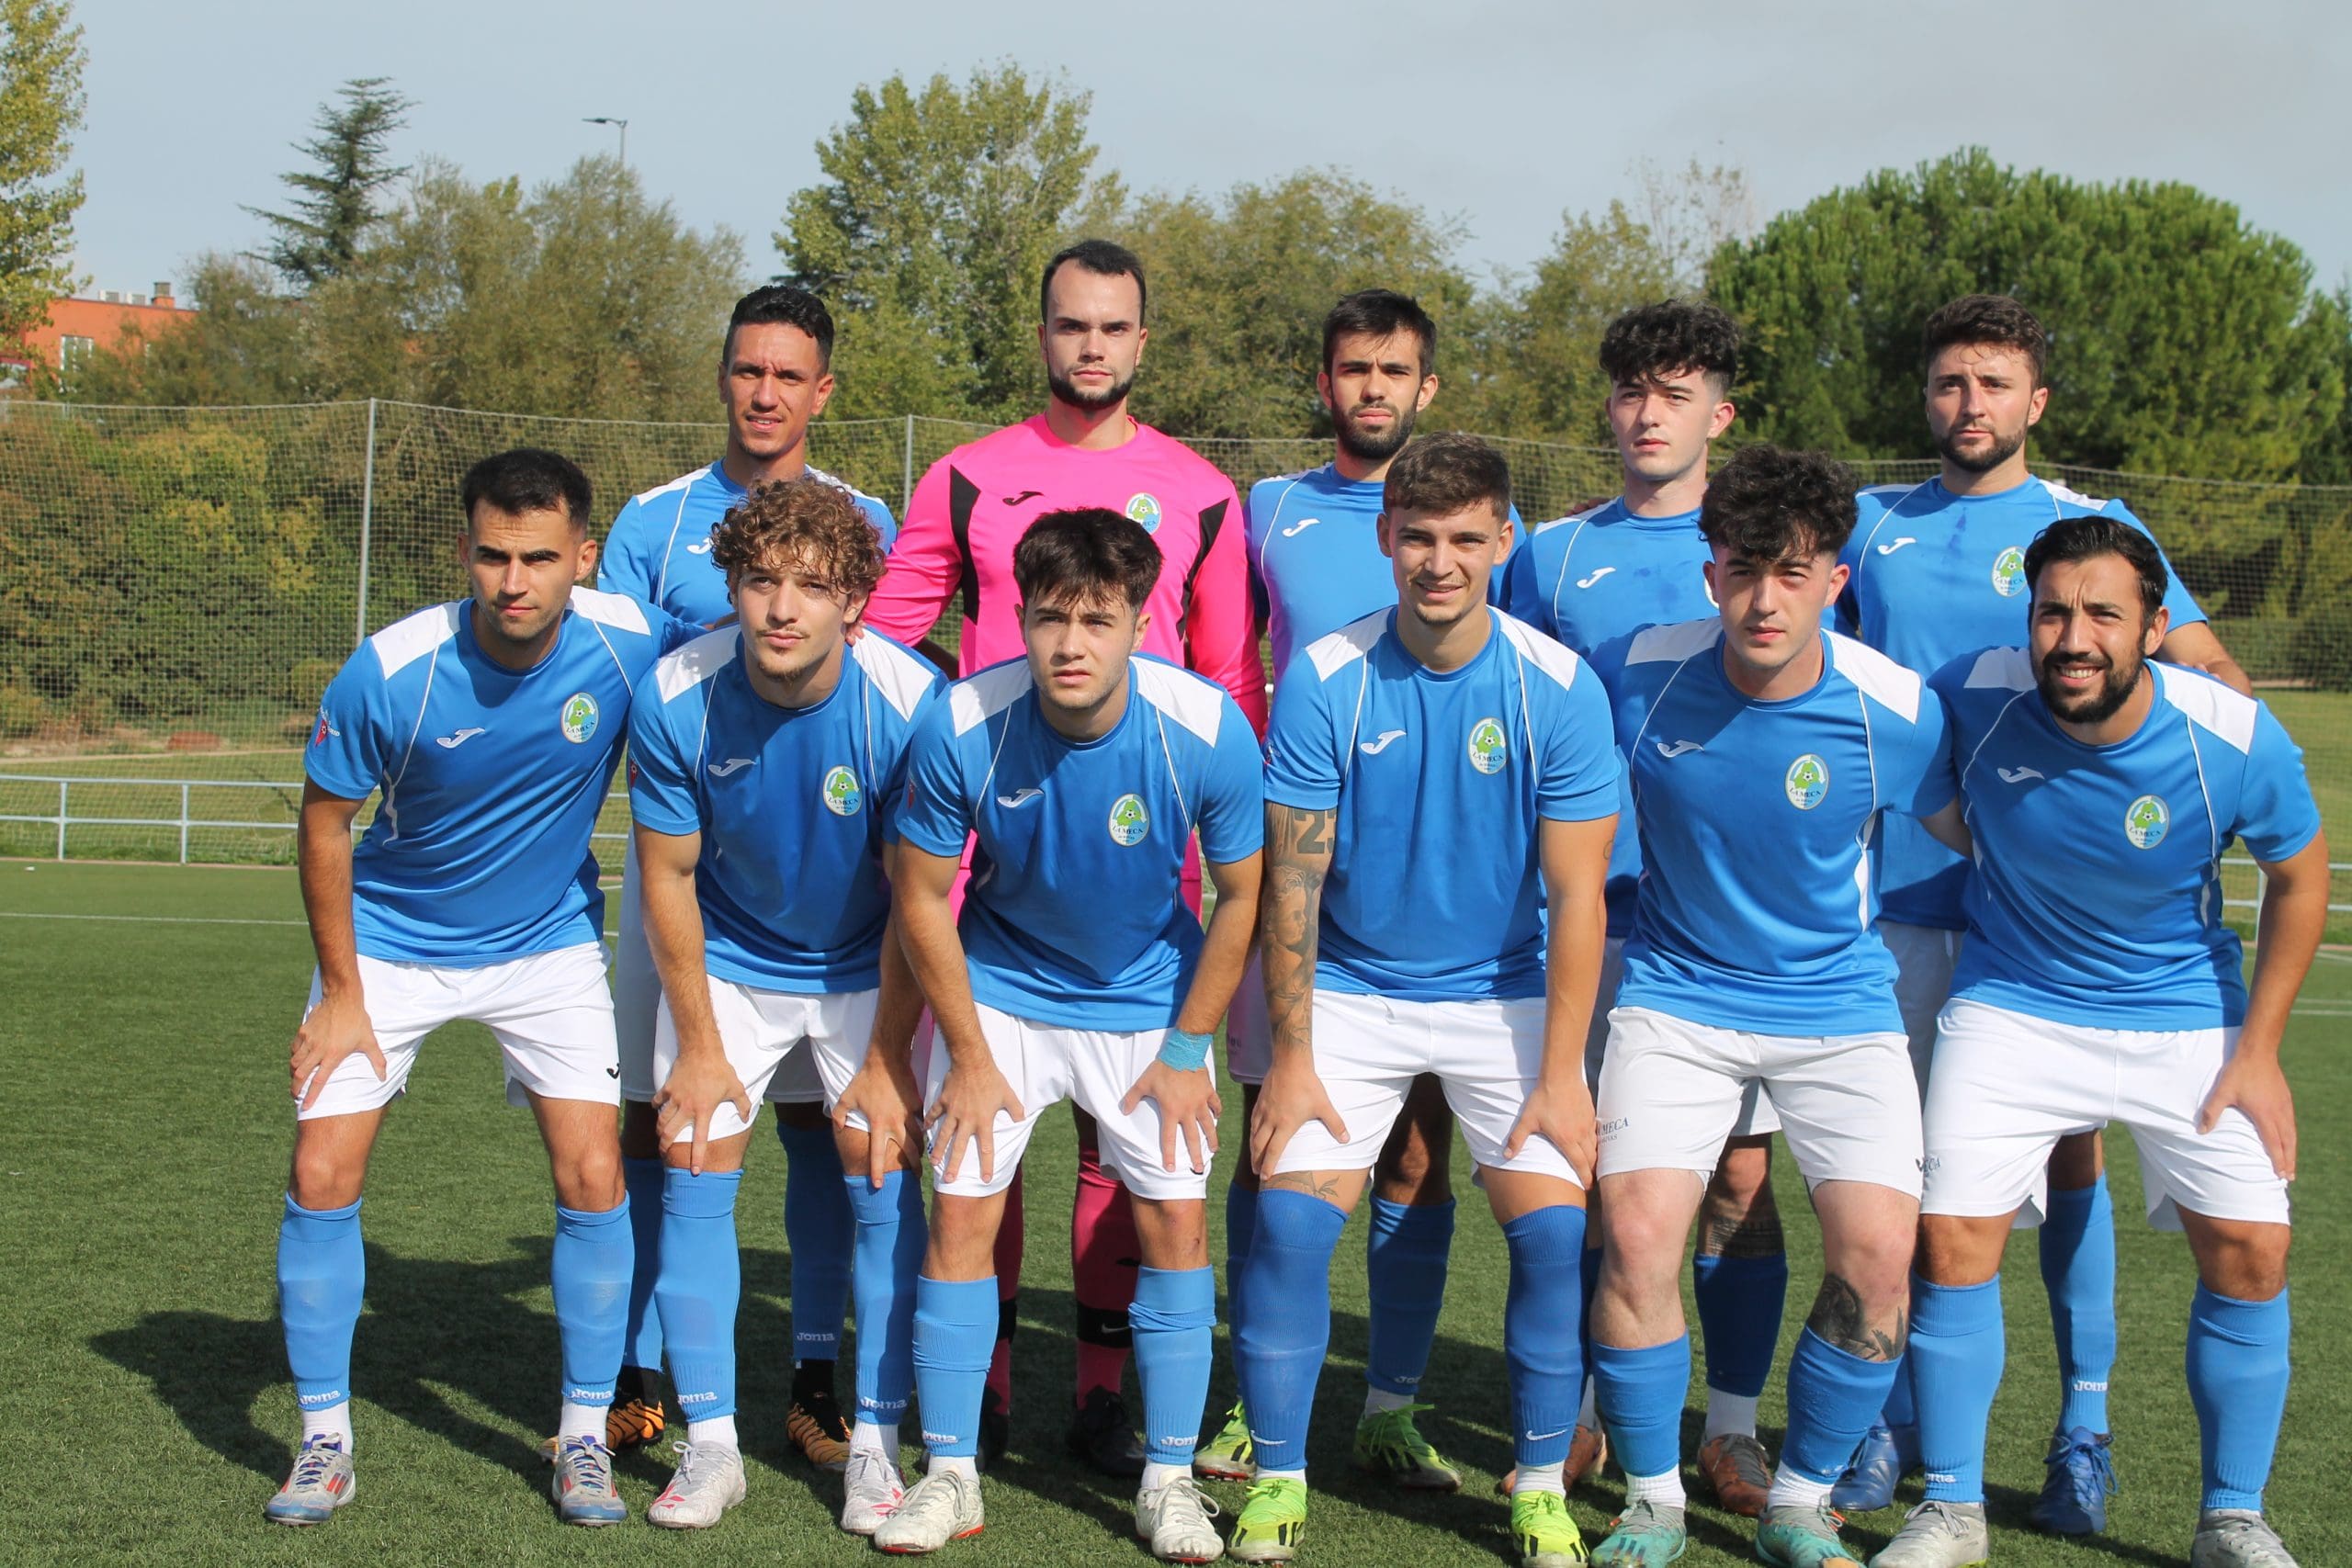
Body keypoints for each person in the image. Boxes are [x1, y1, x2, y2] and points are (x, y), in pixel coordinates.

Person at [1827, 293, 2249, 1521]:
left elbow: (2208, 675)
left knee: (2072, 1158)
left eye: (1995, 383)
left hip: (2056, 917)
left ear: (2036, 401)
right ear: (1926, 395)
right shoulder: (1871, 524)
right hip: (1908, 894)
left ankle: (2082, 1426)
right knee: (1911, 1174)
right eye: (1950, 382)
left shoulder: (2088, 524)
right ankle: (1891, 1424)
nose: (1970, 404)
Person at [864, 239, 1266, 1472]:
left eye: (1112, 327)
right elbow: (886, 636)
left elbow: (1228, 670)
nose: (1091, 346)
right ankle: (982, 1393)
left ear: (1142, 340)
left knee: (1120, 1142)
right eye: (1071, 325)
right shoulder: (968, 475)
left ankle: (1099, 1393)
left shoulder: (1201, 491)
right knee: (980, 1123)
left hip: (1144, 857)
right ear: (1043, 335)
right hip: (988, 850)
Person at [1871, 516, 2323, 1568]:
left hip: (2186, 1015)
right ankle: (1951, 1511)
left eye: (2102, 616)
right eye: (2052, 614)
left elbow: (2299, 878)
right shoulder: (1966, 697)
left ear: (2155, 629)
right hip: (2014, 1006)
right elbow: (1938, 805)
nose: (2073, 638)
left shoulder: (2231, 733)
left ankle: (2232, 1519)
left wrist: (2257, 1051)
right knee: (1952, 1241)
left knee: (2252, 1249)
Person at [266, 448, 697, 1527]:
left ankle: (585, 1437)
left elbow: (755, 647)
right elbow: (325, 823)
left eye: (539, 558)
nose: (514, 581)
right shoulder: (391, 669)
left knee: (594, 1172)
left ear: (582, 558)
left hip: (545, 946)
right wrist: (341, 993)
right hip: (389, 947)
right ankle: (323, 1443)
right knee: (321, 1168)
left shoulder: (631, 641)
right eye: (494, 556)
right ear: (463, 550)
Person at [1229, 433, 1619, 1568]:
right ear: (1384, 538)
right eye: (1416, 538)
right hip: (1350, 986)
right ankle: (1278, 1478)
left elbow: (1577, 897)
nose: (1437, 562)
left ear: (1503, 541)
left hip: (1506, 994)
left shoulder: (1558, 687)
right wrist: (1291, 1058)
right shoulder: (1327, 676)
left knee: (1553, 1235)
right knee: (1291, 1223)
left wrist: (1561, 1076)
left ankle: (1537, 1489)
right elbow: (1292, 883)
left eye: (1463, 539)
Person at [1582, 445, 1956, 1568]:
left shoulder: (1896, 710)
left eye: (1792, 574)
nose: (1763, 600)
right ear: (1710, 574)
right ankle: (1653, 1501)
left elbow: (1992, 836)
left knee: (1879, 1260)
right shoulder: (1631, 673)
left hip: (1839, 1006)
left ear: (1833, 582)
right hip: (1676, 997)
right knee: (1637, 1239)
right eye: (1743, 571)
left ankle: (1798, 1503)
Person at [1205, 289, 1523, 1494]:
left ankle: (1391, 1406)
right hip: (1298, 878)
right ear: (1324, 381)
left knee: (1417, 1154)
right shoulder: (1268, 508)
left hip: (1430, 894)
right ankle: (1255, 1402)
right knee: (1271, 1140)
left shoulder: (1485, 524)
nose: (1373, 388)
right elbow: (1233, 664)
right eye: (1353, 368)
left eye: (1394, 370)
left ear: (1425, 386)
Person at [596, 283, 899, 1469]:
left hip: (825, 878)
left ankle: (815, 1380)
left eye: (787, 375)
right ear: (723, 377)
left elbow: (874, 687)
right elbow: (613, 679)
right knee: (657, 1116)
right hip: (684, 877)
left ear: (822, 390)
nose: (764, 393)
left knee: (827, 1130)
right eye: (746, 370)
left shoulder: (865, 515)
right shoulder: (654, 522)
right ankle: (639, 1372)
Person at [1501, 299, 1785, 1514]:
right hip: (1596, 917)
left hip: (1733, 921)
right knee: (1592, 1172)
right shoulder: (1552, 554)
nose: (1648, 414)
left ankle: (1730, 1427)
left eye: (1676, 393)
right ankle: (1575, 1415)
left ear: (1721, 412)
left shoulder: (1763, 550)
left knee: (1738, 1181)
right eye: (1631, 391)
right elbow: (1509, 706)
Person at [623, 477, 943, 1534]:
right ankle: (711, 1448)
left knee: (878, 1169)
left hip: (866, 965)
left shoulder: (912, 705)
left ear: (854, 600)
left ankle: (875, 1448)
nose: (781, 608)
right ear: (732, 587)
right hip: (730, 959)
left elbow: (917, 896)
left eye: (811, 586)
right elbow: (668, 877)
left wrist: (886, 1057)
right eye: (760, 581)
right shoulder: (676, 693)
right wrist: (699, 1044)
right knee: (693, 1155)